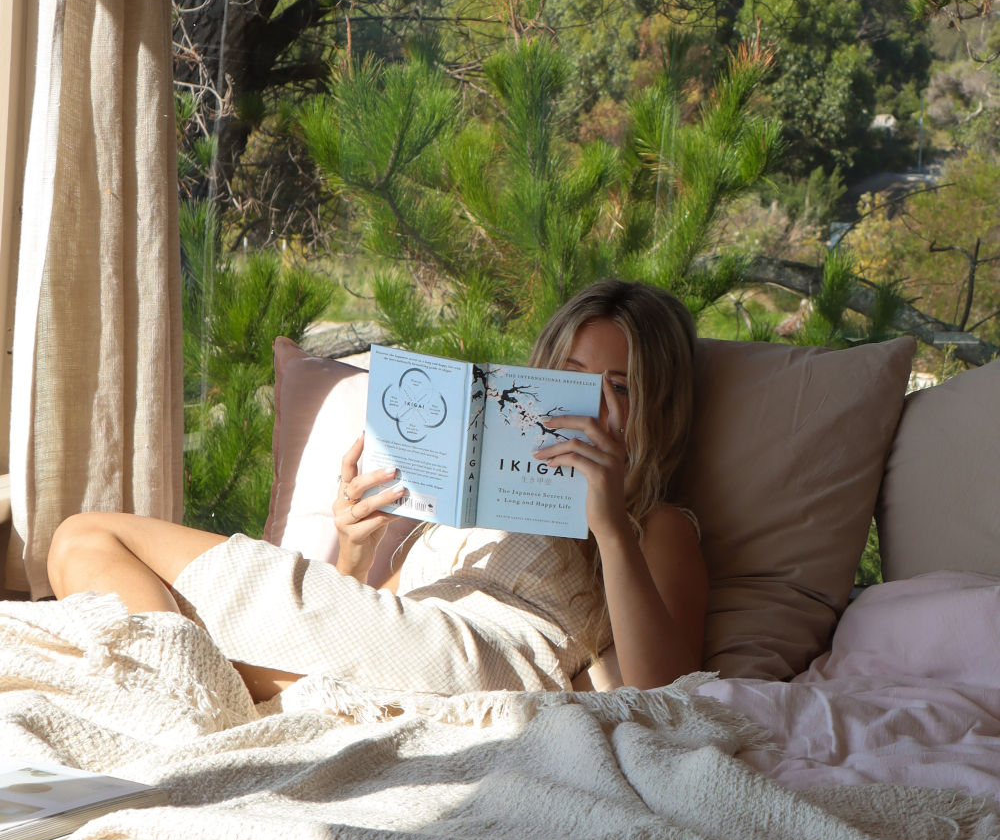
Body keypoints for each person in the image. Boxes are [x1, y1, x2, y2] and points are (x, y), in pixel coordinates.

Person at [47, 279, 708, 701]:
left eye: (619, 388)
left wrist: (609, 524)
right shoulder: (469, 504)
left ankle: (184, 702)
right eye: (573, 377)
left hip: (474, 659)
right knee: (81, 549)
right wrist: (356, 553)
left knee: (91, 536)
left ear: (657, 407)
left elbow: (665, 692)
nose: (591, 405)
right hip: (411, 640)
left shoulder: (654, 523)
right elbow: (372, 611)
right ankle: (195, 699)